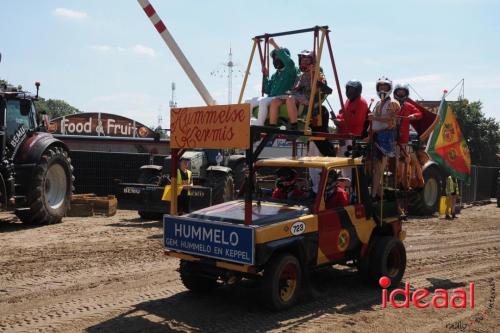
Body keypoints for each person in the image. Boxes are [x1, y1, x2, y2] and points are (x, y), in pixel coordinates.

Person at [247, 38, 298, 126]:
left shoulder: (290, 70)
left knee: (263, 102)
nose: (276, 59)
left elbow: (287, 61)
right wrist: (265, 76)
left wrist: (274, 44)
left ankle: (260, 124)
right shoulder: (276, 75)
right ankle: (244, 123)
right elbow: (267, 90)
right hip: (271, 97)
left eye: (278, 57)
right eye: (274, 58)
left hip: (281, 97)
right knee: (248, 102)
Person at [268, 49, 324, 130]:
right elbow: (295, 87)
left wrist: (315, 72)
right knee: (275, 101)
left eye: (307, 61)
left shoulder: (316, 72)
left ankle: (294, 124)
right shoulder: (300, 75)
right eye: (302, 60)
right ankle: (272, 126)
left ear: (312, 61)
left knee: (290, 99)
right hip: (296, 95)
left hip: (306, 97)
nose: (304, 63)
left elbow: (321, 83)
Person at [368, 76, 400, 199]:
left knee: (378, 169)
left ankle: (373, 195)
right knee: (373, 168)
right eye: (380, 86)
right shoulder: (377, 103)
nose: (382, 89)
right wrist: (369, 135)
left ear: (389, 88)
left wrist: (374, 118)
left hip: (385, 137)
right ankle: (380, 195)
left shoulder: (393, 102)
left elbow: (391, 121)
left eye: (385, 87)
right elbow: (373, 121)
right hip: (375, 136)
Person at [393, 84, 423, 190]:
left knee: (403, 162)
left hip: (403, 141)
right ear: (395, 94)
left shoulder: (408, 106)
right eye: (399, 93)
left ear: (406, 94)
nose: (401, 95)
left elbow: (419, 113)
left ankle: (406, 183)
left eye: (403, 93)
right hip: (391, 139)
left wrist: (413, 115)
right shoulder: (391, 104)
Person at [335, 80, 369, 156]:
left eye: (353, 90)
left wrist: (340, 122)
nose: (350, 92)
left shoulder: (362, 102)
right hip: (343, 135)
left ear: (358, 91)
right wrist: (337, 118)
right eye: (349, 89)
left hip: (353, 137)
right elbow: (342, 113)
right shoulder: (348, 100)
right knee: (341, 159)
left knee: (348, 161)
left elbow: (356, 121)